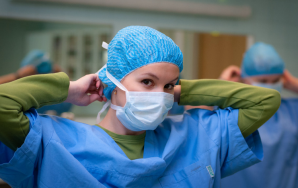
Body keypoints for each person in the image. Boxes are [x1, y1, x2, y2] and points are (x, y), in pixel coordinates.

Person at [0, 27, 280, 188]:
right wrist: (70, 89)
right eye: (147, 82)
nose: (159, 96)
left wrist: (182, 91)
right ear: (113, 82)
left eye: (168, 86)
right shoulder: (54, 143)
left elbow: (265, 101)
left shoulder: (195, 135)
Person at [221, 42, 298, 188]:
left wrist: (293, 83)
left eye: (275, 81)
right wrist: (220, 88)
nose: (269, 86)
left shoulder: (294, 110)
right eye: (263, 81)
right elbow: (193, 124)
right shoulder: (226, 111)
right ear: (244, 79)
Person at [0, 50, 73, 116]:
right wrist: (61, 73)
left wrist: (17, 76)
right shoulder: (57, 96)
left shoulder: (23, 96)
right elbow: (71, 91)